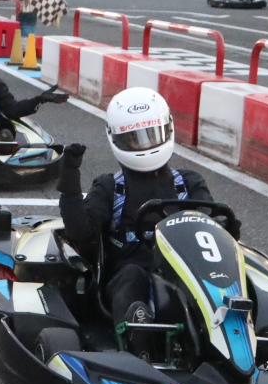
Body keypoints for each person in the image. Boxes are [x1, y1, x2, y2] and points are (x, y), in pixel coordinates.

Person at [53, 89, 228, 354]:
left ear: (167, 129)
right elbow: (80, 233)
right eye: (134, 139)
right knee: (132, 276)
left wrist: (225, 229)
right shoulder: (111, 187)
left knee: (227, 273)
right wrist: (69, 182)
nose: (144, 145)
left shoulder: (189, 183)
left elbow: (209, 228)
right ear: (116, 138)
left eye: (151, 135)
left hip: (186, 274)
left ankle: (251, 330)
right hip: (131, 275)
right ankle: (139, 342)